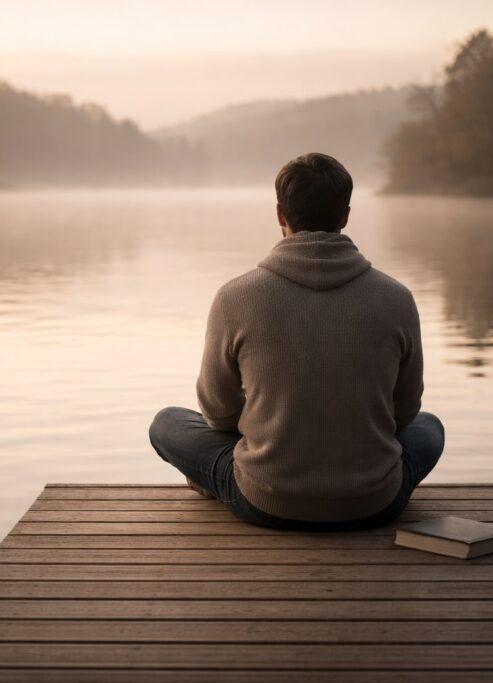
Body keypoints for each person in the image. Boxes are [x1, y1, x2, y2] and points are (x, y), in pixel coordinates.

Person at [149, 152, 444, 531]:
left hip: (266, 500)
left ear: (280, 215)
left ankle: (223, 482)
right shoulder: (397, 298)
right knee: (429, 427)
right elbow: (403, 415)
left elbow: (218, 412)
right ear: (346, 215)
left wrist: (274, 427)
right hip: (375, 502)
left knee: (167, 423)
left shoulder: (234, 297)